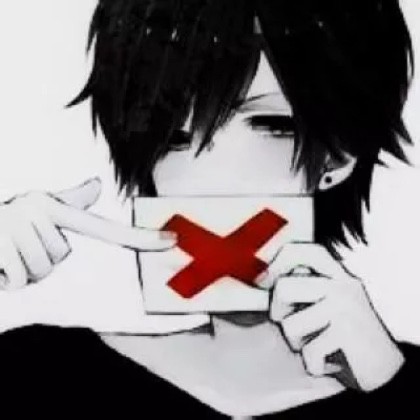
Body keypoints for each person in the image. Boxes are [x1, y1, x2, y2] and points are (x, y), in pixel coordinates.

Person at [0, 0, 418, 418]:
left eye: (270, 125)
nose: (212, 174)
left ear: (338, 155)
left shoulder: (391, 371)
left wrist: (394, 385)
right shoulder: (46, 374)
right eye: (174, 138)